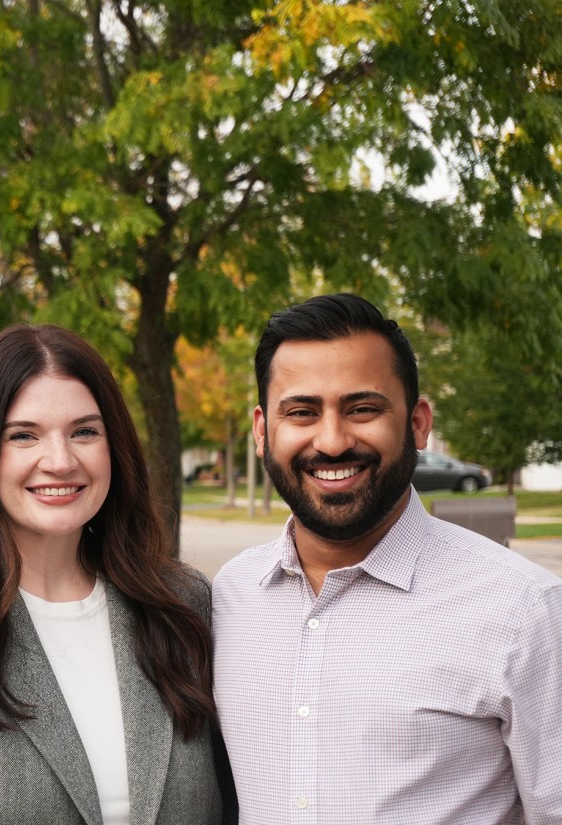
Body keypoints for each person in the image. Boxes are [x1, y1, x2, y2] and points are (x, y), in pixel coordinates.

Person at [0, 324, 234, 825]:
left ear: (113, 446)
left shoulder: (184, 605)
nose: (59, 461)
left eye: (84, 431)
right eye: (23, 435)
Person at [213, 293, 562, 823]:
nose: (331, 442)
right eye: (302, 412)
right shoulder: (230, 595)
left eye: (362, 409)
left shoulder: (526, 609)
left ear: (418, 423)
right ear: (263, 431)